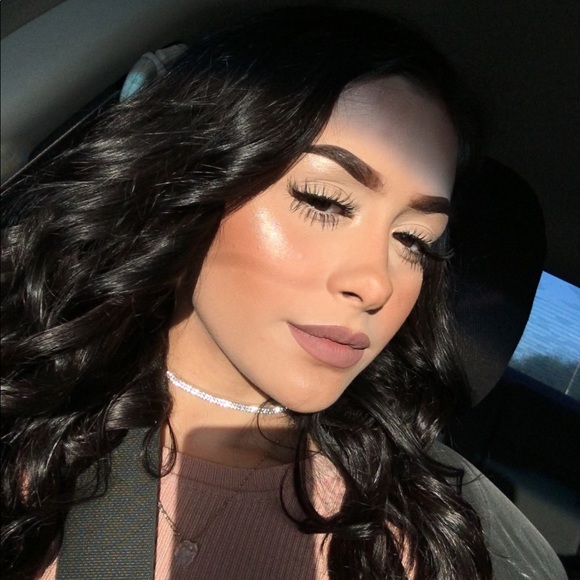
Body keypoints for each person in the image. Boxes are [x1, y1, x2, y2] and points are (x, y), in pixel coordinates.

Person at [0, 6, 566, 580]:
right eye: (324, 201)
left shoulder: (404, 544)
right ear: (189, 182)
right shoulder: (23, 415)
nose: (375, 284)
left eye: (414, 241)